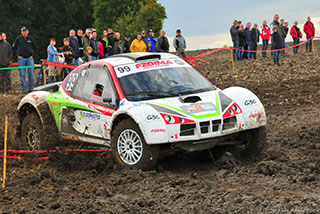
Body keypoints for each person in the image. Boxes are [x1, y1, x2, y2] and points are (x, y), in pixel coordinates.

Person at [12, 26, 37, 93]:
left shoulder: (31, 39)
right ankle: (24, 89)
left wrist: (32, 55)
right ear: (21, 32)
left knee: (31, 74)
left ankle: (31, 88)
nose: (24, 32)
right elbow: (14, 48)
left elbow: (35, 48)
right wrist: (17, 56)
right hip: (21, 59)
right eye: (23, 31)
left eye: (25, 31)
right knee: (22, 74)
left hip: (29, 58)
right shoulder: (18, 39)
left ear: (28, 31)